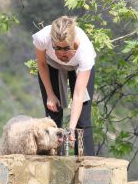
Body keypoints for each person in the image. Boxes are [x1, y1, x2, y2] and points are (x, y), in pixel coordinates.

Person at [32, 16, 96, 156]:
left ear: (73, 41)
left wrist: (71, 128)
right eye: (57, 48)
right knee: (52, 114)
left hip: (77, 67)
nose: (61, 53)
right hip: (51, 65)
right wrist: (50, 94)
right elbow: (42, 64)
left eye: (66, 48)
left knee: (82, 121)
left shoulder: (85, 52)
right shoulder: (42, 37)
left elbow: (78, 96)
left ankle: (87, 166)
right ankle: (51, 160)